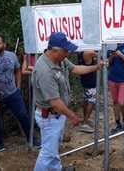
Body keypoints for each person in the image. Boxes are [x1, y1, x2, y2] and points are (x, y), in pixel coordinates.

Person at [32, 32, 102, 170]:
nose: (68, 53)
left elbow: (76, 68)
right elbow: (55, 102)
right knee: (48, 152)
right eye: (66, 50)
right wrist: (72, 116)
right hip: (50, 116)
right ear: (55, 50)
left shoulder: (59, 59)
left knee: (53, 148)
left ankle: (56, 169)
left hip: (56, 115)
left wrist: (96, 67)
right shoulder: (44, 70)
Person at [0, 34, 38, 152]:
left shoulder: (12, 56)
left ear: (4, 45)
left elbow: (17, 70)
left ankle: (33, 140)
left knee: (23, 115)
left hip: (13, 93)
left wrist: (18, 87)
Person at [77, 50, 98, 133]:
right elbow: (101, 55)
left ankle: (85, 119)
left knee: (86, 100)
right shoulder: (88, 52)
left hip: (85, 79)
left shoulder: (81, 52)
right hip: (90, 81)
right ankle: (85, 122)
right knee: (91, 101)